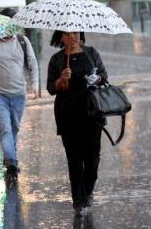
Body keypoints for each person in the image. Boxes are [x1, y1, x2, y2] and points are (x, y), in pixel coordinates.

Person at [46, 31, 108, 216]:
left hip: (92, 112)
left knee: (92, 157)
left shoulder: (91, 53)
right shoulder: (57, 60)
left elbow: (104, 75)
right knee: (74, 159)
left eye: (76, 32)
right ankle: (78, 201)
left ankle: (88, 191)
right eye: (68, 34)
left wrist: (96, 78)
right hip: (68, 114)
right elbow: (50, 88)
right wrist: (60, 80)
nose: (73, 36)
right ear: (61, 38)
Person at [0, 7, 39, 179]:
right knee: (5, 129)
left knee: (15, 128)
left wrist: (35, 85)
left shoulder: (22, 41)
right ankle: (11, 161)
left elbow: (32, 64)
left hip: (18, 94)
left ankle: (9, 157)